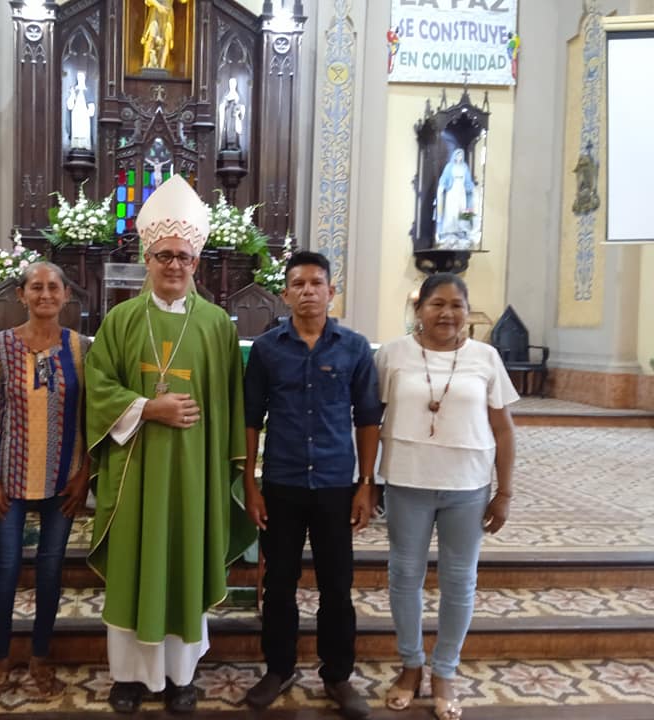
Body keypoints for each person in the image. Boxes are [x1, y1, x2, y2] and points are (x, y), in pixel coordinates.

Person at [85, 174, 256, 714]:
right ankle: (129, 677)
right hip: (136, 471)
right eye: (164, 255)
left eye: (183, 256)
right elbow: (98, 387)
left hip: (193, 471)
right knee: (138, 566)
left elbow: (230, 403)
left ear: (196, 261)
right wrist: (148, 409)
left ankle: (181, 676)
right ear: (147, 257)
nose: (175, 265)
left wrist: (230, 469)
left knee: (183, 559)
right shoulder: (121, 319)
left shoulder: (215, 327)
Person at [242, 251, 381, 719]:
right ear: (285, 293)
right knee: (279, 583)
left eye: (315, 283)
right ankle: (278, 669)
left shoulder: (354, 348)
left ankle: (338, 675)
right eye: (297, 284)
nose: (307, 291)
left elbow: (367, 417)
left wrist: (366, 483)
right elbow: (250, 419)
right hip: (281, 481)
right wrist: (251, 482)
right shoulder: (266, 349)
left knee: (336, 586)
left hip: (335, 484)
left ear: (330, 291)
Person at [375, 273, 517, 720]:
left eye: (456, 304)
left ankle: (445, 670)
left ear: (466, 310)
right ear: (419, 310)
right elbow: (368, 420)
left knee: (459, 581)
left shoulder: (485, 358)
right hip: (407, 481)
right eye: (437, 304)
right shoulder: (392, 355)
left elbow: (503, 428)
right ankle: (411, 665)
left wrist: (505, 492)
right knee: (405, 577)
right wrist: (365, 480)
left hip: (468, 486)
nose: (447, 313)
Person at [0, 262, 91, 702]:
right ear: (21, 295)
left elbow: (90, 416)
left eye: (53, 287)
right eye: (36, 287)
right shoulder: (1, 345)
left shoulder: (81, 348)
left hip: (64, 474)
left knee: (50, 570)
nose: (45, 295)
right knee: (5, 572)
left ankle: (41, 657)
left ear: (65, 295)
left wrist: (86, 472)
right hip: (10, 475)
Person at [435, 148, 475, 245]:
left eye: (461, 155)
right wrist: (441, 186)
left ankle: (462, 231)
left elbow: (468, 181)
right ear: (455, 156)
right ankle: (448, 232)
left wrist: (472, 189)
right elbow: (444, 178)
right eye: (458, 155)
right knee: (451, 211)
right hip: (452, 191)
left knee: (462, 210)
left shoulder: (465, 167)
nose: (460, 157)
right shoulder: (449, 166)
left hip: (461, 191)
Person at [141, 0, 186, 70]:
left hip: (168, 14)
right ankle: (144, 65)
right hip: (156, 12)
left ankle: (162, 68)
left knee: (167, 40)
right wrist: (158, 6)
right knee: (151, 37)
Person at [67, 72, 96, 151]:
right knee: (76, 129)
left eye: (82, 76)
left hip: (84, 113)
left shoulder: (88, 90)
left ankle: (85, 146)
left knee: (84, 129)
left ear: (84, 77)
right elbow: (70, 106)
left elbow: (91, 102)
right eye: (79, 76)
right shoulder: (74, 89)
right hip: (76, 113)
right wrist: (72, 94)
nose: (80, 78)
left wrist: (91, 110)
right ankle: (76, 146)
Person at [218, 78, 245, 151]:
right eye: (231, 84)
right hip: (228, 115)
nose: (232, 85)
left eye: (233, 84)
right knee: (227, 128)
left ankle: (234, 145)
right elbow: (222, 105)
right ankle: (226, 145)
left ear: (236, 85)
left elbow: (242, 105)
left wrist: (238, 107)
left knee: (234, 129)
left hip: (235, 116)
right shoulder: (227, 94)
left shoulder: (238, 94)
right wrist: (226, 102)